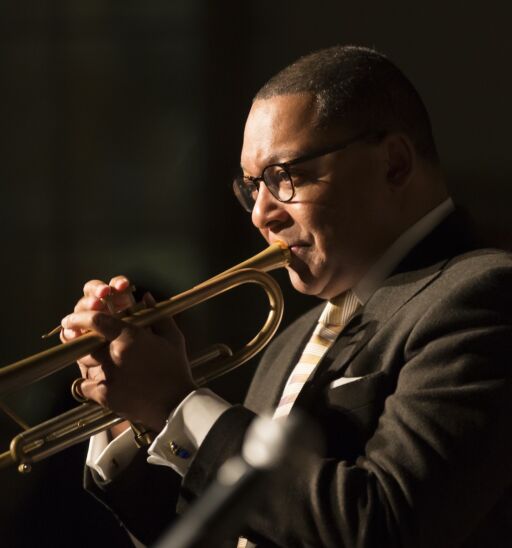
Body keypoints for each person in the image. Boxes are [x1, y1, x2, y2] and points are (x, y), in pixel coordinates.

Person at [61, 45, 512, 547]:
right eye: (252, 187)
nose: (260, 214)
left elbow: (385, 525)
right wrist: (140, 415)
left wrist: (177, 403)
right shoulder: (289, 345)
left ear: (394, 164)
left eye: (284, 176)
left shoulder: (484, 295)